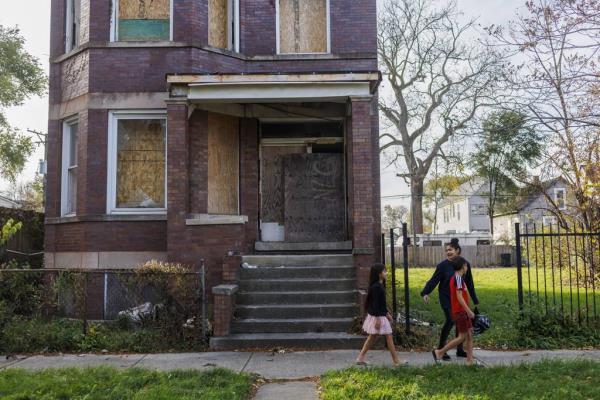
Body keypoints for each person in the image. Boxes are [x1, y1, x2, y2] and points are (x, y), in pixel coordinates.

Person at [420, 238, 479, 360]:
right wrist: (425, 292)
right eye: (446, 250)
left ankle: (459, 349)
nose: (448, 252)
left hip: (459, 299)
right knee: (451, 320)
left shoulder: (464, 265)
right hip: (446, 298)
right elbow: (434, 280)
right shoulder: (442, 266)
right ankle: (441, 350)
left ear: (457, 250)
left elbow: (470, 283)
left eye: (450, 250)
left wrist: (475, 299)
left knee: (460, 321)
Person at [356, 263, 404, 366]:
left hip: (379, 315)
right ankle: (396, 361)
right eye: (384, 271)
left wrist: (386, 313)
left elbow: (381, 303)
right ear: (379, 274)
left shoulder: (378, 286)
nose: (386, 273)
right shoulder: (377, 287)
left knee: (372, 337)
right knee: (388, 336)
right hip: (377, 316)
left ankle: (360, 358)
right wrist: (378, 318)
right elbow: (376, 304)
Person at [432, 256, 476, 366]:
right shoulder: (458, 278)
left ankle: (470, 361)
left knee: (469, 334)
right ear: (462, 266)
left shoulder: (459, 278)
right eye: (466, 265)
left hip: (462, 311)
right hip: (461, 312)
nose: (467, 267)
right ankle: (439, 352)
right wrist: (469, 311)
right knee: (462, 336)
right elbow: (459, 297)